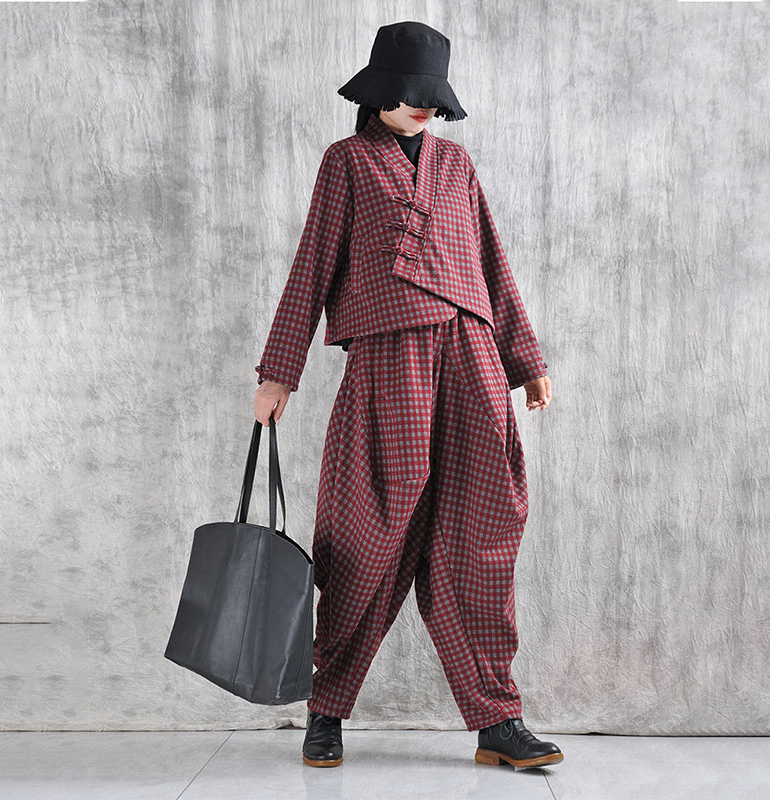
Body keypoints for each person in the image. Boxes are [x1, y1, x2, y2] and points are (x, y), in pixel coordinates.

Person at [254, 20, 563, 771]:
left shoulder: (456, 165)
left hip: (472, 358)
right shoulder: (347, 162)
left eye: (434, 95)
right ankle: (326, 708)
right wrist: (279, 370)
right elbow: (312, 262)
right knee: (365, 534)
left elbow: (491, 262)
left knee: (481, 536)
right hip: (389, 359)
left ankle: (498, 720)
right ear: (380, 91)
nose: (425, 107)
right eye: (412, 93)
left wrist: (525, 360)